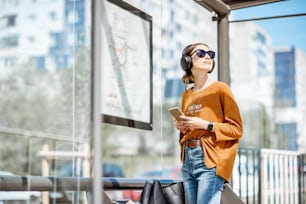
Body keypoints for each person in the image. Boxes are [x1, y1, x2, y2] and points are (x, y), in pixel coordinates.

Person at [174, 43, 243, 204]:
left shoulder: (220, 89)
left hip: (210, 159)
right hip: (188, 160)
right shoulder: (186, 95)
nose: (207, 56)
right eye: (201, 53)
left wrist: (205, 124)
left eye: (210, 54)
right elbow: (191, 129)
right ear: (187, 61)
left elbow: (237, 129)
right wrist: (182, 128)